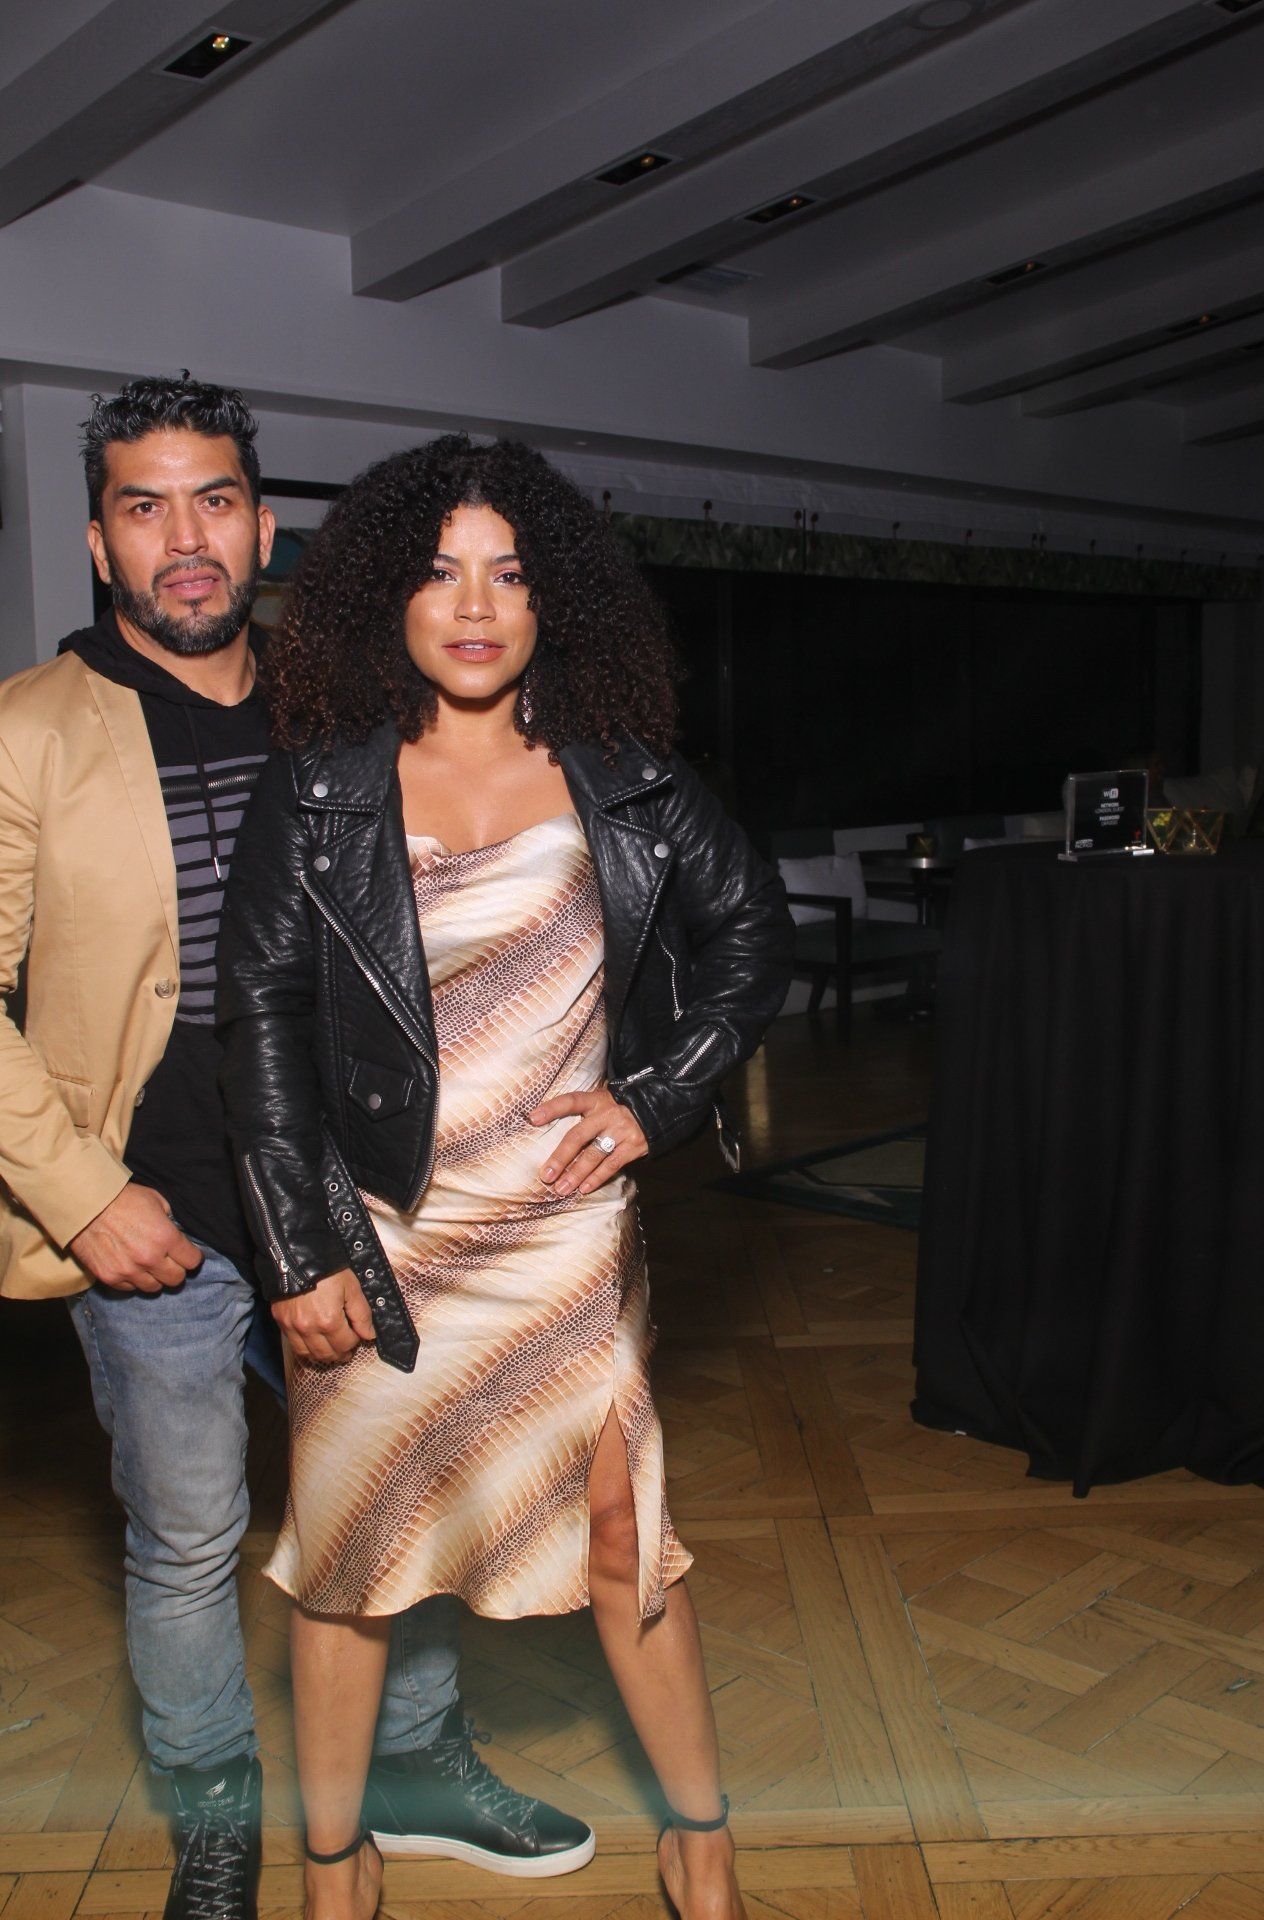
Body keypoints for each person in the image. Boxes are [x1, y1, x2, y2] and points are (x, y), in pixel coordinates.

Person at [0, 379, 591, 1920]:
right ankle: (213, 1818)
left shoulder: (350, 708)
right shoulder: (27, 730)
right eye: (144, 506)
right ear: (99, 542)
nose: (184, 538)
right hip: (157, 1229)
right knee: (188, 1541)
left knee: (409, 1498)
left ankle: (417, 1771)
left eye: (214, 501)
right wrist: (82, 1197)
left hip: (356, 1203)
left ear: (264, 529)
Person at [216, 434, 794, 1920]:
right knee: (350, 1558)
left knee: (624, 1539)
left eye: (511, 575)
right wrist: (298, 1252)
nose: (475, 606)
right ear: (387, 598)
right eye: (440, 572)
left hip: (567, 1235)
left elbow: (751, 935)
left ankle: (703, 1847)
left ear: (555, 602)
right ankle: (334, 1873)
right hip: (381, 1236)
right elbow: (260, 1020)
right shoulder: (319, 791)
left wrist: (657, 1098)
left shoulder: (628, 777)